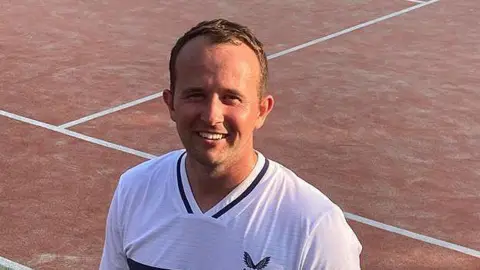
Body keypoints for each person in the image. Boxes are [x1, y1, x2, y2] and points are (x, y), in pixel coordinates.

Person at [99, 18, 362, 270]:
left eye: (231, 98)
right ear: (171, 104)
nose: (212, 115)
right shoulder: (134, 191)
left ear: (261, 111)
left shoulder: (315, 225)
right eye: (195, 95)